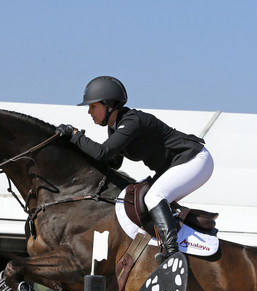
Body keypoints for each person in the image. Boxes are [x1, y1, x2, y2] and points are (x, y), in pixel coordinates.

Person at [57, 76, 214, 263]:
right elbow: (113, 162)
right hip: (178, 164)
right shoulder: (116, 127)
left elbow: (102, 153)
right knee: (143, 198)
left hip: (194, 159)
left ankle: (173, 255)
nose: (89, 112)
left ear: (109, 105)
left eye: (93, 106)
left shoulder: (132, 121)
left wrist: (75, 136)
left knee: (153, 197)